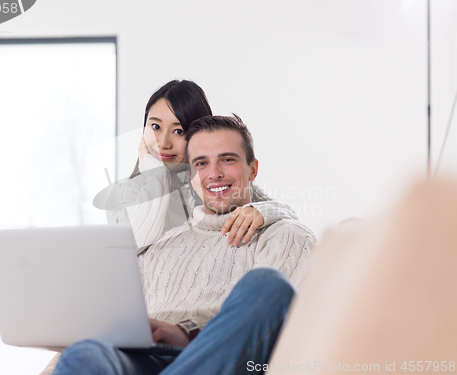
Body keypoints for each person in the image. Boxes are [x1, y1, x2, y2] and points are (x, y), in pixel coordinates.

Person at [52, 115, 316, 375]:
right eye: (201, 163)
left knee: (269, 286)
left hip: (216, 358)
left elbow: (294, 330)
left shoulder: (284, 235)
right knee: (83, 354)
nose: (214, 174)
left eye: (227, 159)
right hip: (145, 360)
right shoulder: (160, 245)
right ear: (190, 176)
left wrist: (187, 332)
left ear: (253, 169)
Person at [96, 80, 299, 250]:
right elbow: (134, 246)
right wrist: (156, 175)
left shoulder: (213, 184)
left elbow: (288, 214)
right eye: (155, 127)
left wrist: (261, 212)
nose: (163, 143)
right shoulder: (122, 193)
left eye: (179, 131)